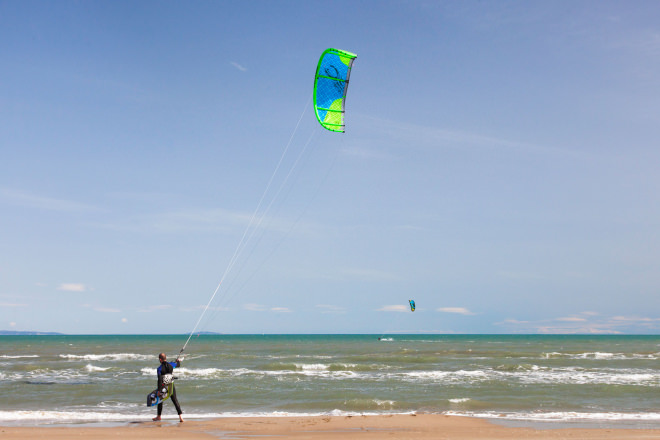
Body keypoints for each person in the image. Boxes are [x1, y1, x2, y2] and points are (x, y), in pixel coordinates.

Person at [152, 352, 184, 422]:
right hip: (171, 385)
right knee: (175, 400)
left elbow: (160, 379)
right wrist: (178, 361)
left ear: (160, 359)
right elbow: (177, 365)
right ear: (165, 358)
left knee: (160, 400)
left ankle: (159, 416)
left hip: (164, 387)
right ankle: (180, 416)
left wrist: (159, 391)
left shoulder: (159, 369)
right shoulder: (171, 365)